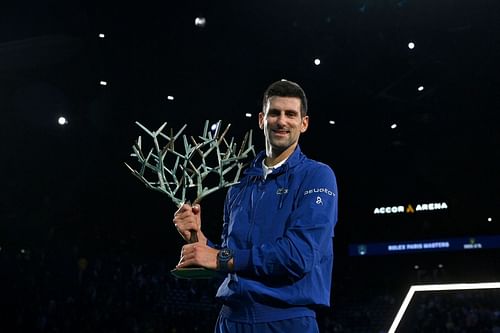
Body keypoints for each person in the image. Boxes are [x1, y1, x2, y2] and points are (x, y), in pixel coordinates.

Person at [173, 80, 338, 333]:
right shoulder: (238, 184)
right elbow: (232, 261)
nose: (282, 121)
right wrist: (200, 240)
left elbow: (298, 256)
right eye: (274, 113)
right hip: (230, 320)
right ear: (262, 119)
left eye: (291, 114)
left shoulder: (317, 176)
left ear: (304, 124)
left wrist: (219, 258)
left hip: (287, 321)